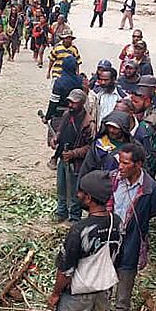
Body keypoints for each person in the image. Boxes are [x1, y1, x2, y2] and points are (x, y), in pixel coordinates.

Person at [50, 170, 123, 311]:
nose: (77, 195)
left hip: (78, 294)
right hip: (103, 291)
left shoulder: (80, 230)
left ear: (88, 198)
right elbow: (118, 259)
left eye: (80, 192)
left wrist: (56, 293)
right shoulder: (117, 222)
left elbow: (66, 270)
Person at [109, 144, 156, 311]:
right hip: (110, 232)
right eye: (120, 162)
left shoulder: (151, 189)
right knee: (105, 265)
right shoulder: (112, 179)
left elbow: (154, 210)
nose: (120, 167)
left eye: (125, 163)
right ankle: (102, 304)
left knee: (127, 268)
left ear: (138, 164)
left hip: (133, 234)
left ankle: (122, 308)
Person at [51, 89, 94, 223]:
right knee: (61, 187)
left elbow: (90, 147)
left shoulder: (88, 123)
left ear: (81, 103)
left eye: (74, 103)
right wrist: (56, 138)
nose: (70, 105)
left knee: (75, 190)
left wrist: (74, 153)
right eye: (69, 102)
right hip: (63, 157)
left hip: (77, 163)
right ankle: (61, 212)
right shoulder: (67, 114)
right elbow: (60, 130)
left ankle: (75, 216)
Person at [78, 111, 132, 178]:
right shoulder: (98, 145)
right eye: (109, 127)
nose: (111, 130)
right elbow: (86, 168)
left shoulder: (132, 147)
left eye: (115, 128)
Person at [130, 81, 156, 179]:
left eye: (136, 102)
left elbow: (149, 157)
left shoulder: (149, 124)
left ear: (147, 101)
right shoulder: (143, 115)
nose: (132, 104)